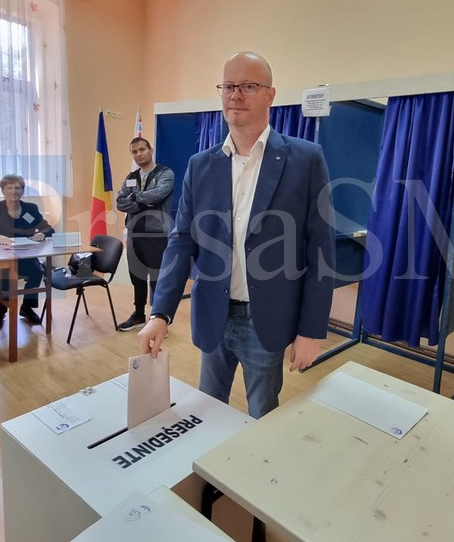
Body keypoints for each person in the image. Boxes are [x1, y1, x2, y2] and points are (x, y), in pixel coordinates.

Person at [138, 52, 335, 419]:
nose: (236, 95)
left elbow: (321, 251)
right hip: (213, 312)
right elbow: (181, 242)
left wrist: (311, 331)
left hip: (267, 318)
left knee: (263, 414)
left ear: (270, 95)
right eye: (228, 86)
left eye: (248, 86)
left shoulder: (305, 159)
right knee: (208, 411)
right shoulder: (201, 165)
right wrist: (160, 312)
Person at [115, 137, 174, 331]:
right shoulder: (131, 176)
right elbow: (120, 202)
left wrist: (134, 198)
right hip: (134, 232)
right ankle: (139, 314)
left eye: (142, 150)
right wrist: (141, 203)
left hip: (156, 233)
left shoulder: (165, 173)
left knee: (157, 278)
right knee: (137, 276)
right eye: (134, 152)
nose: (138, 154)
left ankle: (158, 319)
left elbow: (158, 194)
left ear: (151, 150)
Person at [0, 174, 54, 326]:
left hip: (24, 255)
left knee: (37, 271)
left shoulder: (29, 209)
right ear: (3, 190)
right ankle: (1, 309)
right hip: (1, 256)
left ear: (22, 190)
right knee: (5, 275)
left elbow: (47, 227)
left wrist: (42, 233)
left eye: (17, 188)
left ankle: (27, 307)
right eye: (9, 188)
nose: (14, 191)